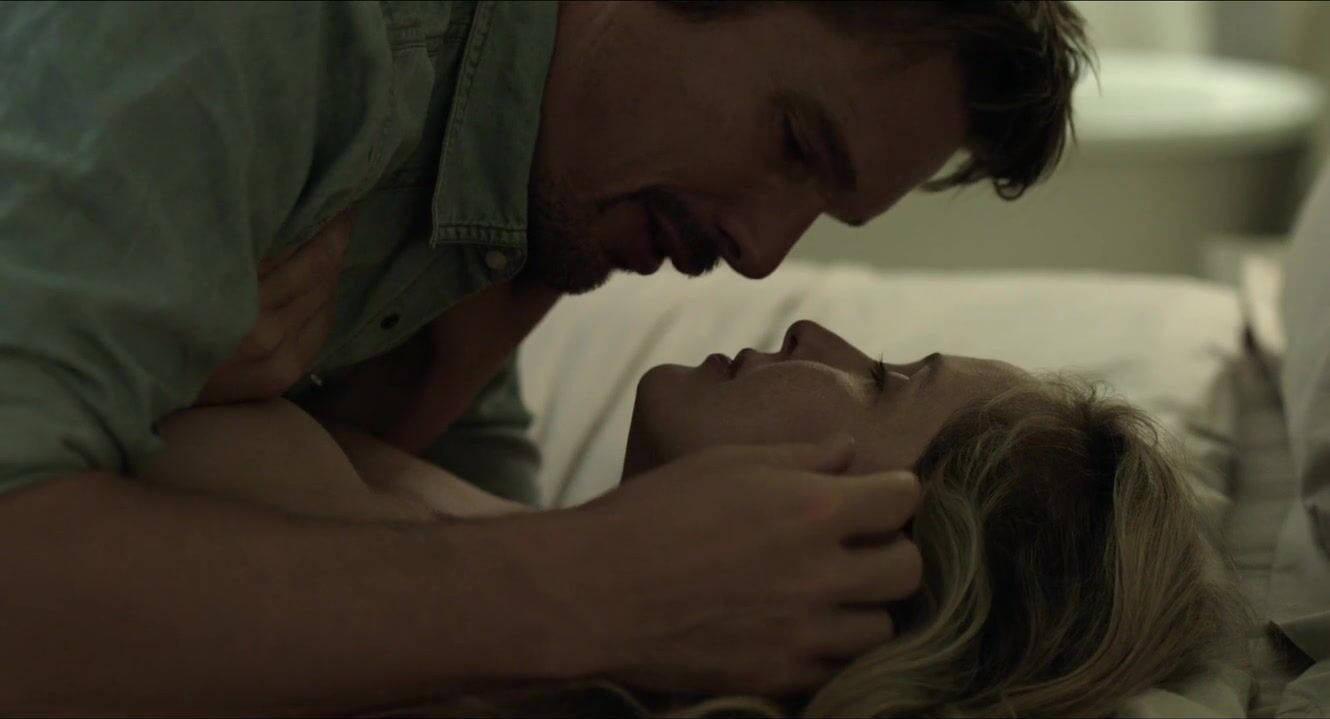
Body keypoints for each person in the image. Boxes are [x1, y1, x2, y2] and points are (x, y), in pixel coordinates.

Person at [0, 1, 1093, 713]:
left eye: (821, 210)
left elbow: (389, 542)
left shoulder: (527, 202)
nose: (763, 256)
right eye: (793, 142)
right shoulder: (275, 36)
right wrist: (598, 590)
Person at [142, 320, 1251, 717]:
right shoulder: (489, 528)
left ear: (863, 556)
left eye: (878, 380)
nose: (812, 331)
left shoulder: (422, 644)